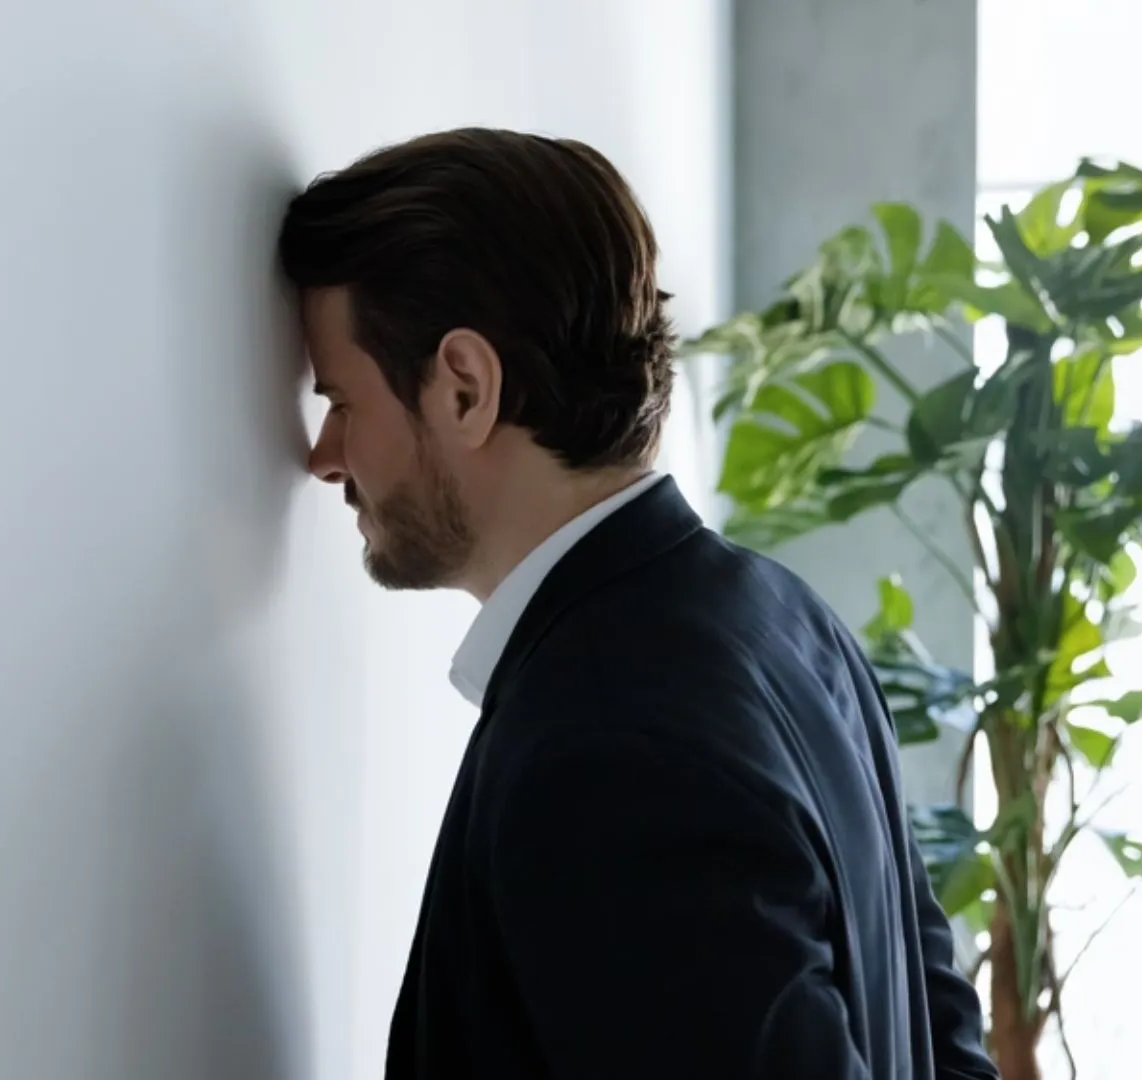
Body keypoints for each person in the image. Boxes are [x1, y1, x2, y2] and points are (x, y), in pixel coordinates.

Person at [277, 129, 998, 1080]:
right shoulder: (783, 617)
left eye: (341, 401)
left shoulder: (605, 742)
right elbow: (950, 1050)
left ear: (464, 389)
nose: (325, 455)